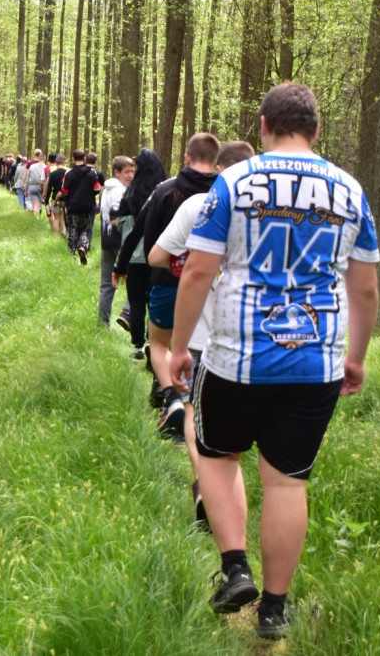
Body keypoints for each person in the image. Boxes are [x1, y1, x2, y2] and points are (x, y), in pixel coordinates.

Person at [168, 83, 379, 639]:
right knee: (287, 483)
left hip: (238, 355)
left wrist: (176, 347)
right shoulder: (351, 191)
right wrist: (354, 357)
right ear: (316, 128)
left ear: (263, 125)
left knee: (216, 455)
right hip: (317, 361)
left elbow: (196, 271)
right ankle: (275, 610)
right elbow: (365, 290)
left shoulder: (233, 182)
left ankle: (235, 567)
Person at [148, 140, 255, 525]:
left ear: (218, 169)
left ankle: (204, 489)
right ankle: (227, 516)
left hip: (202, 336)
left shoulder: (198, 206)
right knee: (235, 441)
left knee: (198, 416)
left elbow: (155, 256)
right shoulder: (271, 210)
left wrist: (185, 259)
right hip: (253, 339)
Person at [121, 133, 221, 438]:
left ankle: (173, 398)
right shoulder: (227, 192)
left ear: (187, 157)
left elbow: (151, 239)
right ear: (216, 161)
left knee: (162, 345)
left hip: (166, 279)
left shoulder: (165, 190)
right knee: (203, 344)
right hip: (212, 286)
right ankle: (201, 413)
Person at [111, 148, 168, 358]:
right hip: (160, 256)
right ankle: (152, 341)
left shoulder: (131, 192)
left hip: (135, 256)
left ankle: (137, 345)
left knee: (136, 302)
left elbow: (119, 223)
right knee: (155, 300)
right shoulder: (167, 190)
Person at [98, 155, 135, 326]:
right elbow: (114, 219)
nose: (130, 175)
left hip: (106, 241)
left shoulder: (106, 189)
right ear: (117, 172)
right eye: (126, 172)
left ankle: (103, 323)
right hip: (121, 242)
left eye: (132, 171)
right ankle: (127, 312)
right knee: (136, 281)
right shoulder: (120, 191)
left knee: (106, 284)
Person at [57, 149, 101, 265]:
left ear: (72, 159)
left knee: (72, 229)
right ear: (85, 159)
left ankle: (71, 255)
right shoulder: (92, 172)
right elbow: (97, 188)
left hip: (72, 206)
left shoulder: (69, 173)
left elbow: (64, 190)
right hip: (87, 206)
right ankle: (82, 247)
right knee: (86, 230)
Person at [42, 154, 68, 235]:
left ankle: (56, 235)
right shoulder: (67, 173)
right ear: (64, 163)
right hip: (65, 198)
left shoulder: (52, 174)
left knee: (56, 218)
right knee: (64, 218)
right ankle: (63, 232)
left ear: (56, 164)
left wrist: (46, 200)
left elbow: (49, 188)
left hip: (54, 198)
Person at [27, 149, 48, 218]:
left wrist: (26, 188)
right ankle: (37, 216)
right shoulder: (46, 167)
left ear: (39, 159)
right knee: (39, 203)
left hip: (32, 186)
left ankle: (35, 217)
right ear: (45, 159)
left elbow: (28, 176)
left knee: (35, 204)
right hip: (42, 187)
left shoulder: (32, 166)